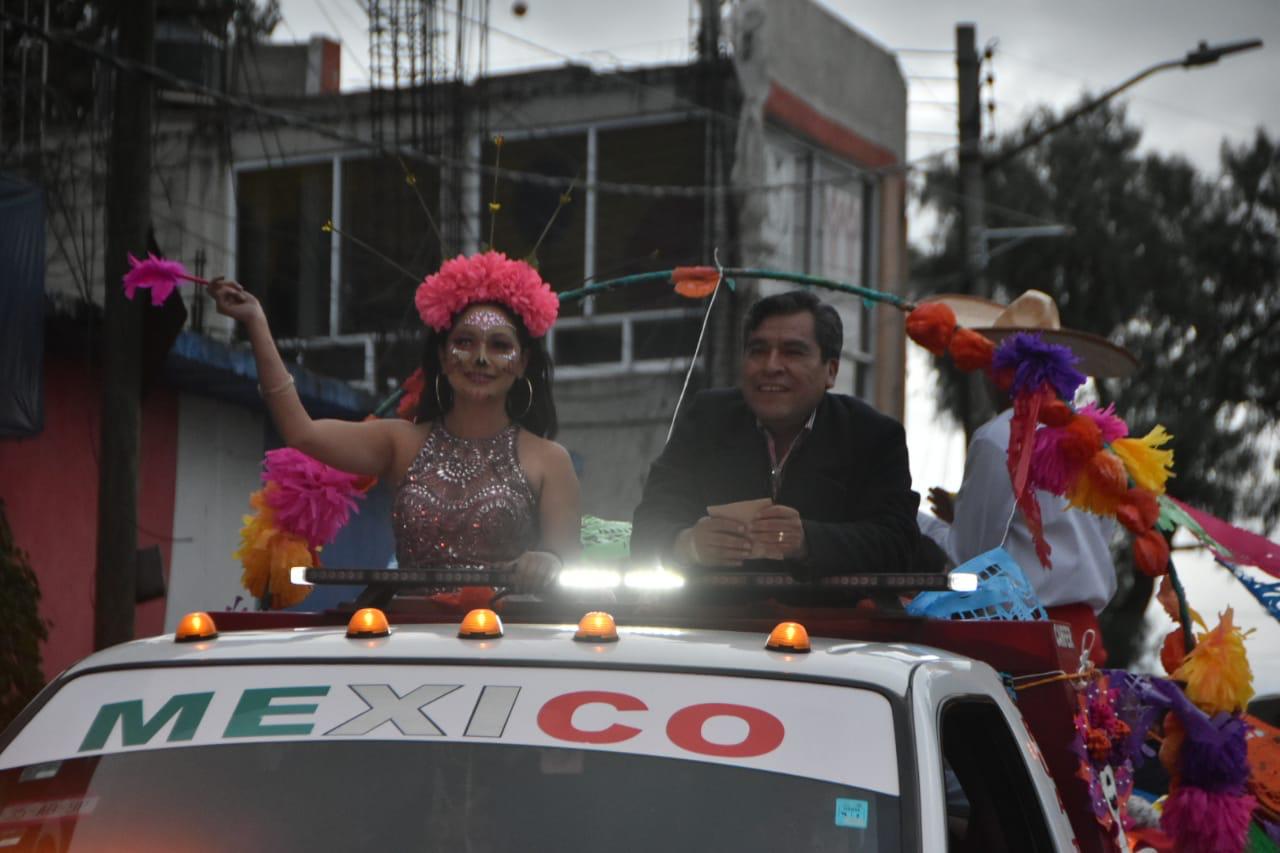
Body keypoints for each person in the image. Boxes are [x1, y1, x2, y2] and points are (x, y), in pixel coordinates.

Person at [210, 251, 580, 591]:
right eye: (465, 342)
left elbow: (569, 573)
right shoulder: (401, 443)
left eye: (499, 346)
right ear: (442, 356)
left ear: (522, 363)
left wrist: (548, 563)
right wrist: (256, 322)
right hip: (407, 632)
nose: (480, 358)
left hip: (507, 635)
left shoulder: (549, 460)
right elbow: (301, 432)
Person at [631, 290, 921, 582]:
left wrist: (807, 541)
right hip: (716, 609)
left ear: (831, 371)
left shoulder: (873, 435)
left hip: (830, 611)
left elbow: (900, 544)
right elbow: (648, 524)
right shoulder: (707, 419)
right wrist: (687, 544)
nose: (771, 367)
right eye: (757, 351)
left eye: (793, 352)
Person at [923, 290, 1138, 663]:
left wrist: (917, 522)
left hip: (1026, 644)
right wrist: (962, 515)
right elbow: (1075, 534)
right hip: (1085, 644)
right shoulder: (1097, 444)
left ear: (999, 371)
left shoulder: (997, 438)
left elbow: (969, 560)